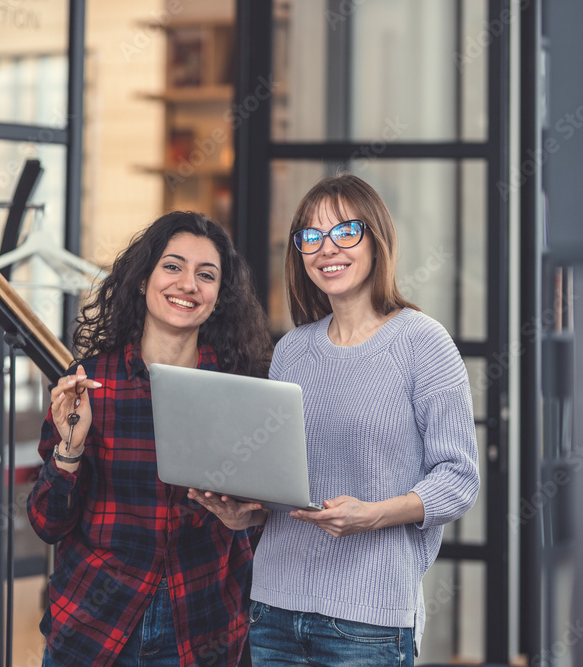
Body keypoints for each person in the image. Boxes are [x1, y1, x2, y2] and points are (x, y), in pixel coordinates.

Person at [190, 174, 480, 666]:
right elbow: (286, 489)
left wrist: (372, 515)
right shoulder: (292, 351)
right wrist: (246, 514)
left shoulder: (422, 343)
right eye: (311, 236)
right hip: (275, 606)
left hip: (368, 620)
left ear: (377, 240)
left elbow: (459, 480)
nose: (327, 248)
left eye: (345, 231)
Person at [27, 211, 273, 667]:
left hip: (204, 627)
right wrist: (70, 451)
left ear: (219, 297)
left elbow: (263, 511)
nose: (188, 284)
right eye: (173, 266)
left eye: (206, 275)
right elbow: (47, 523)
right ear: (144, 280)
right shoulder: (90, 383)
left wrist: (248, 515)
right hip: (93, 628)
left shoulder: (243, 388)